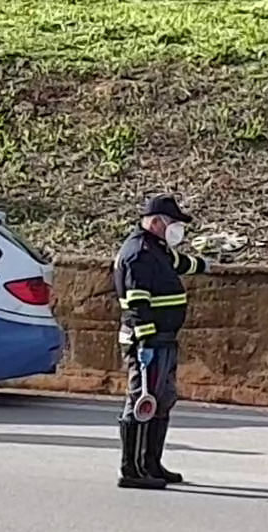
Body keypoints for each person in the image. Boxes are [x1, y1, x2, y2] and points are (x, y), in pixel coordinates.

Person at [112, 193, 209, 489]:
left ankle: (151, 463)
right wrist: (145, 344)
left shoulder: (156, 248)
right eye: (173, 223)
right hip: (148, 342)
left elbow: (178, 264)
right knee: (142, 400)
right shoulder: (138, 254)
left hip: (163, 339)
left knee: (162, 400)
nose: (177, 229)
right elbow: (136, 303)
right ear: (155, 222)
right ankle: (132, 469)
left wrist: (205, 264)